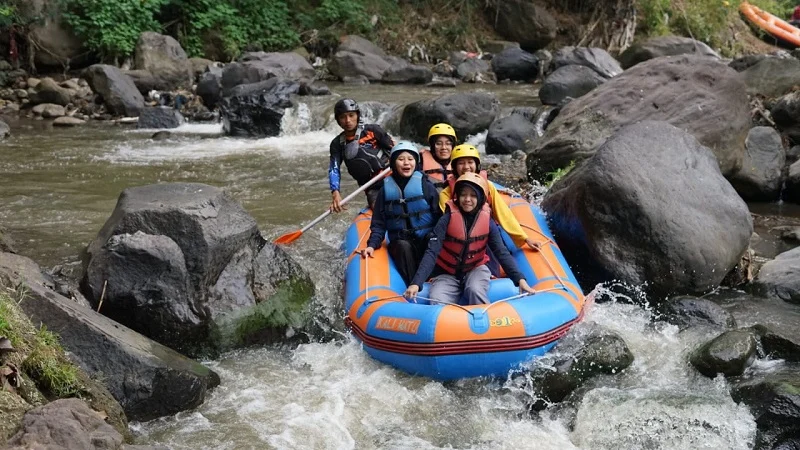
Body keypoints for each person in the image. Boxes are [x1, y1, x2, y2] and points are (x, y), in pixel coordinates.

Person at [404, 173, 535, 305]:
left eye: (473, 195)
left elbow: (501, 252)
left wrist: (520, 280)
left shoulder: (487, 221)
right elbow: (431, 252)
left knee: (475, 290)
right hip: (446, 273)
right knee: (437, 299)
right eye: (463, 195)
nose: (467, 199)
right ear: (457, 197)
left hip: (475, 269)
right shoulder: (446, 219)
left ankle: (484, 322)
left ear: (480, 198)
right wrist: (416, 283)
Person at [360, 141, 442, 285]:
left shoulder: (426, 186)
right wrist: (372, 244)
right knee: (402, 246)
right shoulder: (385, 190)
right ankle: (412, 285)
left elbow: (439, 217)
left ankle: (436, 279)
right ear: (393, 163)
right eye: (401, 159)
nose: (406, 163)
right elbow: (379, 224)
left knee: (432, 239)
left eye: (410, 159)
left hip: (425, 239)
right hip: (402, 242)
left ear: (416, 163)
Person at [439, 144, 539, 250]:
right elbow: (448, 224)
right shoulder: (446, 194)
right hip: (459, 241)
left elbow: (503, 214)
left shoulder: (488, 186)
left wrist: (525, 238)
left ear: (477, 165)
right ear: (454, 167)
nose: (466, 167)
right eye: (461, 163)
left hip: (485, 234)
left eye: (470, 162)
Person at [328, 98, 395, 212]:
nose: (348, 120)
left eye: (351, 115)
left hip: (392, 176)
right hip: (372, 187)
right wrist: (335, 193)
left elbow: (397, 150)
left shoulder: (373, 130)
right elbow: (334, 169)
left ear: (357, 116)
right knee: (378, 210)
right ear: (338, 120)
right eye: (343, 117)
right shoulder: (337, 144)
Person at [420, 123, 456, 190]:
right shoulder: (420, 161)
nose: (444, 147)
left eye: (448, 144)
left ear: (452, 146)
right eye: (438, 144)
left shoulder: (460, 162)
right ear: (432, 146)